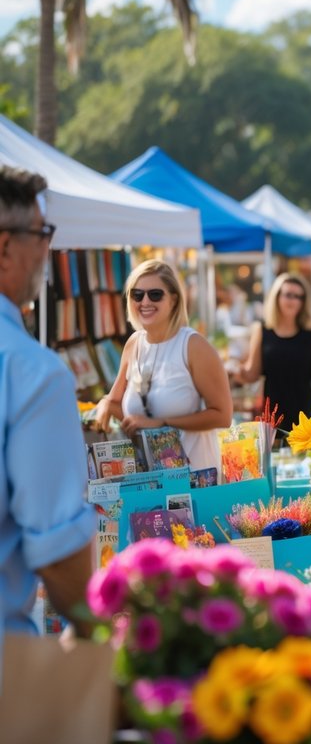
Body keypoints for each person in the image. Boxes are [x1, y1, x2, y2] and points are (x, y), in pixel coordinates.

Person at [0, 166, 96, 642]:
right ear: (4, 247)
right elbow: (58, 552)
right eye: (42, 234)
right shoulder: (29, 371)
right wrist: (98, 635)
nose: (47, 249)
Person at [96, 260, 233, 470]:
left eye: (155, 294)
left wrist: (163, 422)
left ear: (174, 300)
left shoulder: (193, 345)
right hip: (147, 481)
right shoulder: (134, 344)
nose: (145, 301)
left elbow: (223, 416)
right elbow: (122, 409)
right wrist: (106, 404)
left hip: (195, 479)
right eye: (137, 294)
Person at [234, 273, 311, 431]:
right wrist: (235, 369)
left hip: (306, 412)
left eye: (299, 296)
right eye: (288, 295)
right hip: (273, 412)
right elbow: (252, 372)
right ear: (276, 296)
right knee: (274, 455)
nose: (293, 300)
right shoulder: (262, 330)